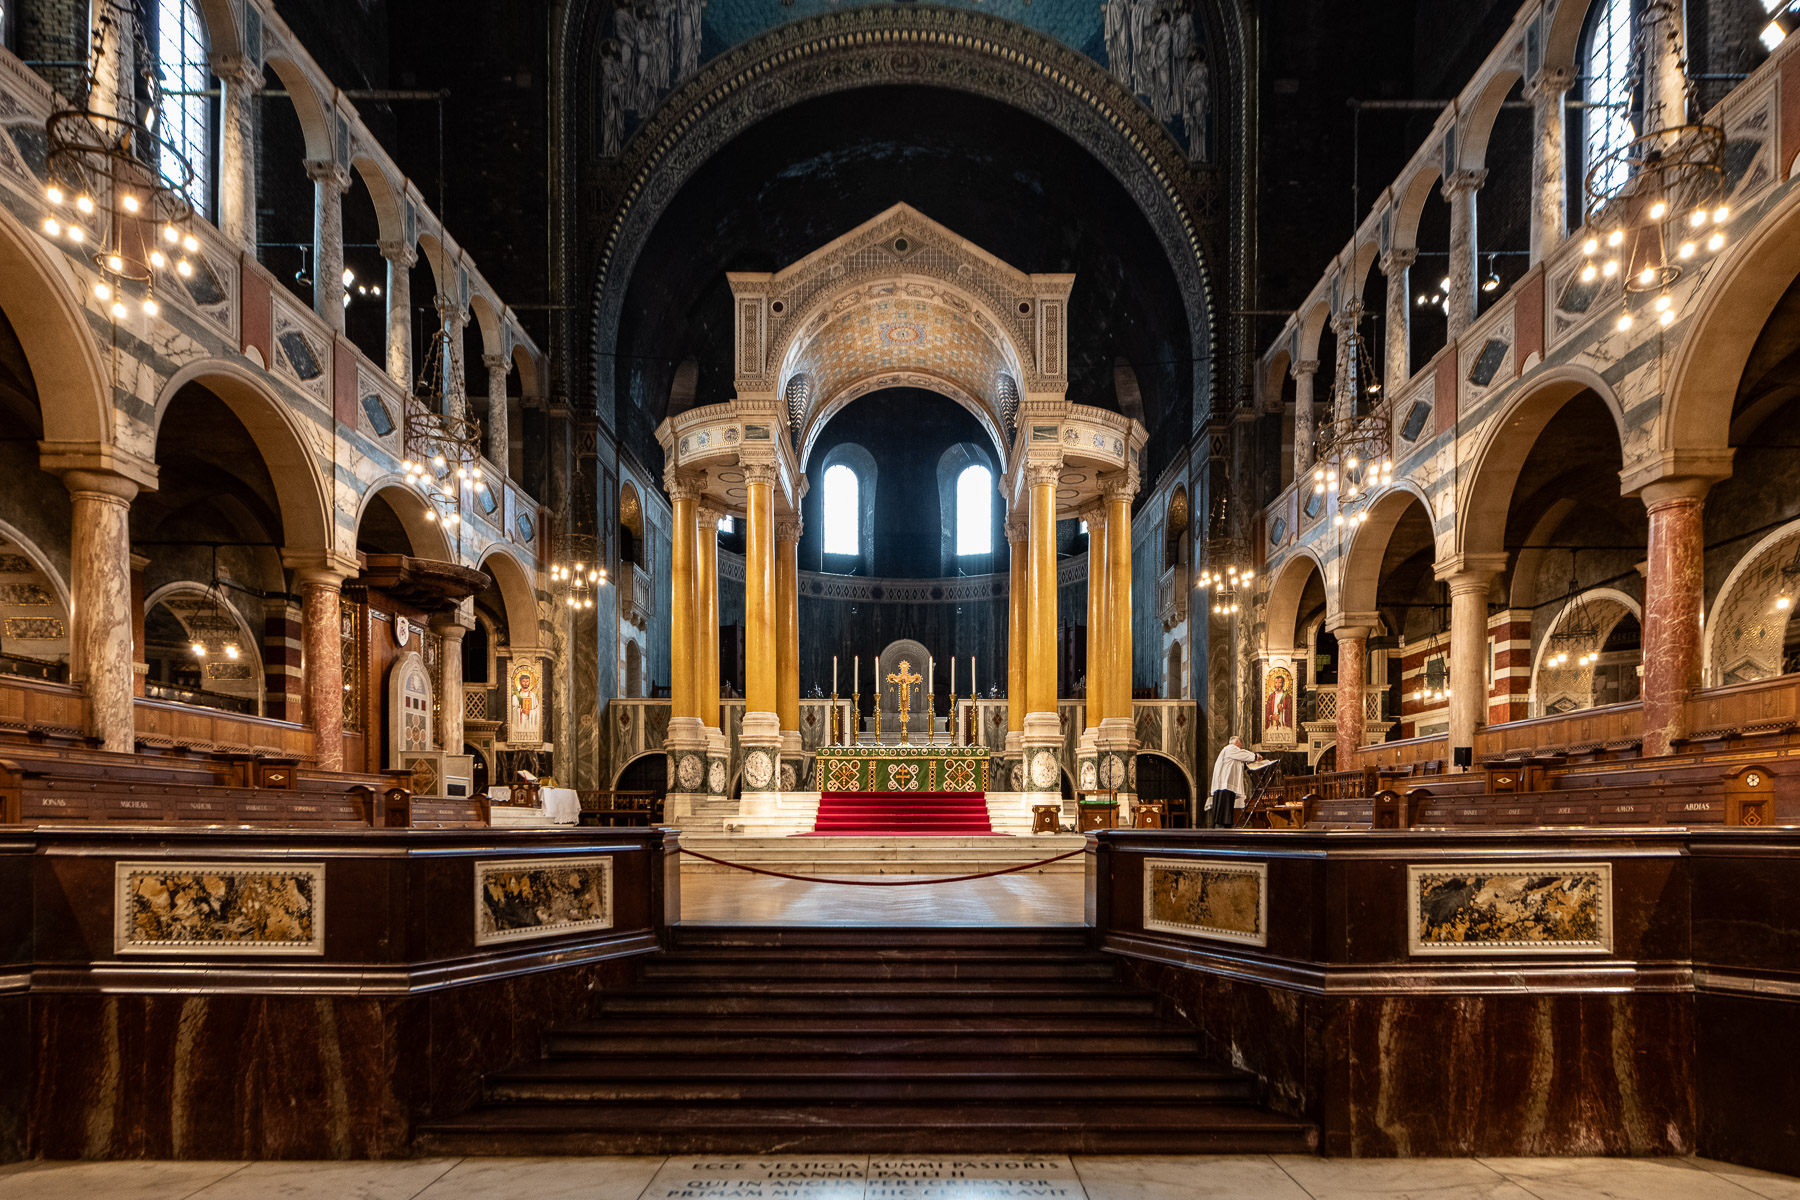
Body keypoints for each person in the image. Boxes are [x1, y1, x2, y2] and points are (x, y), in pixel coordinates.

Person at [1209, 735, 1270, 827]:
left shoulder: (1230, 753)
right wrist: (1256, 756)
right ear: (1237, 742)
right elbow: (1243, 754)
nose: (1240, 746)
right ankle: (1223, 825)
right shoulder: (1231, 748)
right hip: (1225, 784)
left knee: (1226, 806)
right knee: (1224, 807)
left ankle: (1224, 825)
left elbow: (1239, 765)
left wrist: (1251, 764)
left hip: (1226, 784)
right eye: (1240, 744)